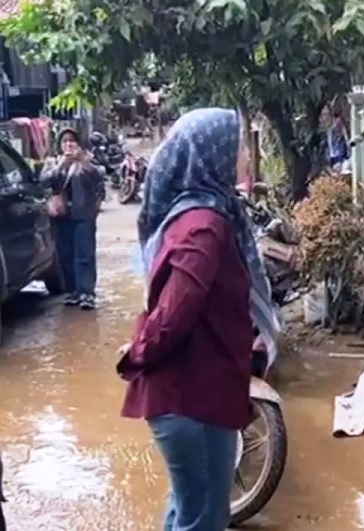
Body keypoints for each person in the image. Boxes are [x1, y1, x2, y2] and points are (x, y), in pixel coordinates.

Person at [116, 108, 280, 530]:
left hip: (202, 391)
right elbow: (173, 313)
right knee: (202, 518)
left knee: (191, 512)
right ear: (213, 154)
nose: (245, 154)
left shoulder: (206, 213)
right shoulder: (204, 226)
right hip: (189, 395)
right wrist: (136, 353)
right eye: (239, 145)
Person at [42, 128, 103, 309]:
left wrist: (83, 162)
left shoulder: (87, 161)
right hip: (62, 216)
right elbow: (44, 181)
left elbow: (99, 177)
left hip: (83, 214)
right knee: (65, 255)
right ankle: (72, 291)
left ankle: (87, 293)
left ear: (78, 144)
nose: (69, 145)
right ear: (60, 145)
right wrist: (61, 166)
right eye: (65, 142)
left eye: (72, 141)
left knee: (84, 255)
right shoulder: (53, 162)